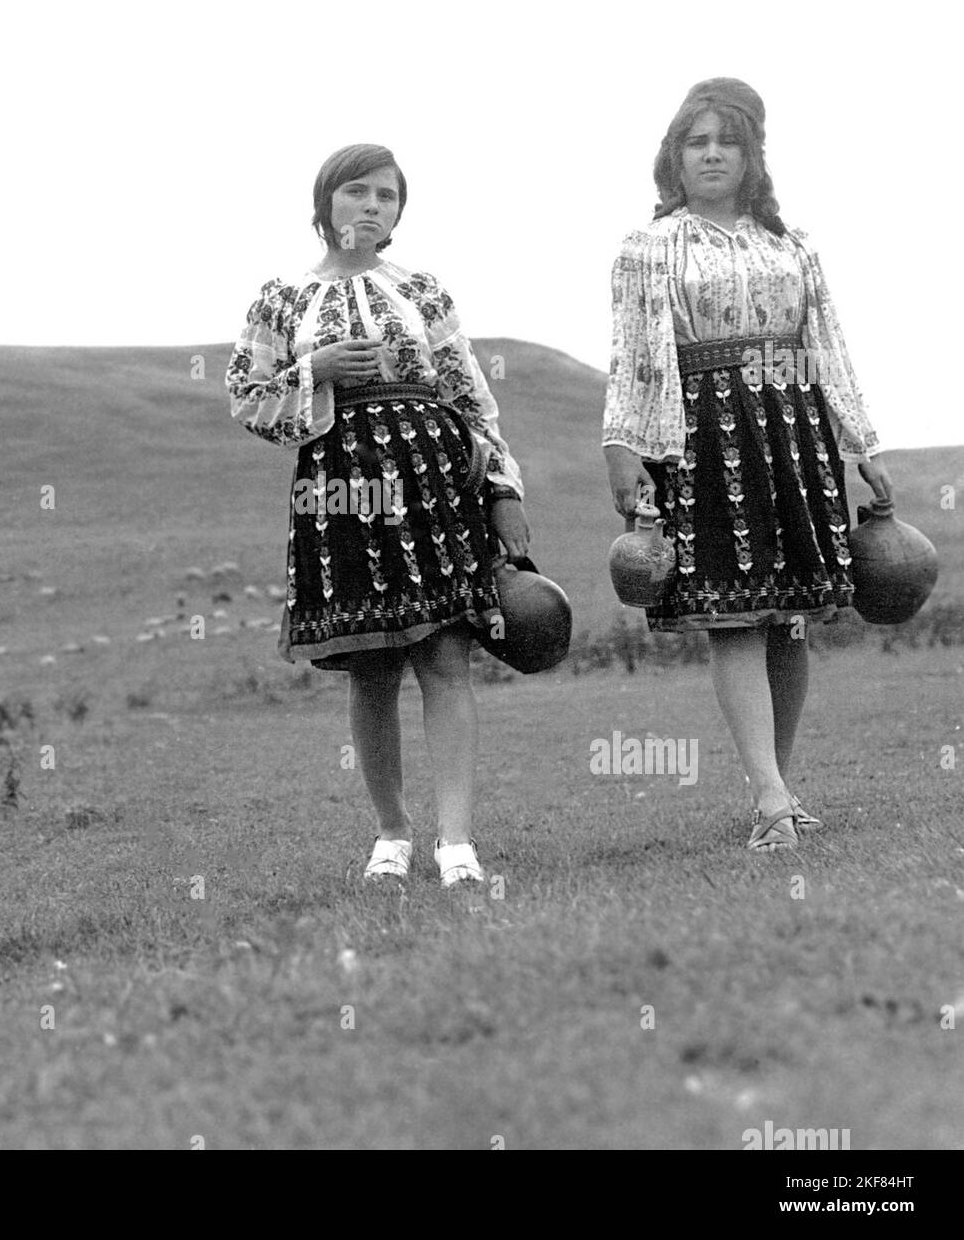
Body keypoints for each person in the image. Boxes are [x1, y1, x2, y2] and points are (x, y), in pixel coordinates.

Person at [226, 143, 530, 886]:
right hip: (341, 488)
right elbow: (245, 397)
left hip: (435, 477)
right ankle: (391, 834)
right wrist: (315, 372)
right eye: (356, 192)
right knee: (371, 666)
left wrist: (502, 489)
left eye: (386, 197)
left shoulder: (423, 291)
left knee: (445, 654)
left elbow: (469, 395)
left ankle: (456, 842)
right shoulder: (281, 299)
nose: (371, 206)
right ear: (325, 202)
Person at [602, 79, 893, 851]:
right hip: (701, 431)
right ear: (674, 155)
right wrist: (623, 445)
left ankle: (778, 786)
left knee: (790, 617)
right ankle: (769, 797)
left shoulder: (791, 245)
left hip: (794, 427)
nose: (711, 154)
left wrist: (860, 446)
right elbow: (633, 352)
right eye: (696, 142)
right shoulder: (649, 246)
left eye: (726, 141)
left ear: (752, 155)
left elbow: (828, 344)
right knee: (732, 613)